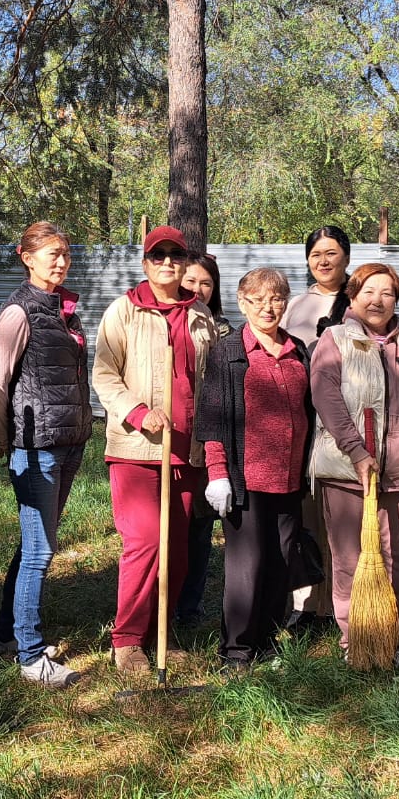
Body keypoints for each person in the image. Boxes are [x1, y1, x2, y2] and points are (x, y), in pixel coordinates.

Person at [92, 225, 220, 673]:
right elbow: (105, 375)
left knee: (178, 549)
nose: (167, 262)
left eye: (175, 255)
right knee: (145, 542)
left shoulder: (202, 316)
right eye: (158, 255)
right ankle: (127, 641)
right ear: (146, 263)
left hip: (188, 451)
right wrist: (138, 411)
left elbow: (211, 382)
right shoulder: (124, 311)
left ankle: (158, 632)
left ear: (185, 263)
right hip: (139, 448)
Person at [308, 262, 399, 670]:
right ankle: (359, 642)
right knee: (352, 562)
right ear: (352, 296)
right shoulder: (335, 341)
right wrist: (357, 452)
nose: (377, 299)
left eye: (387, 293)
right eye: (368, 291)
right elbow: (326, 399)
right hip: (350, 475)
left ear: (396, 300)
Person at [0, 222, 93, 688]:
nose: (60, 260)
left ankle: (7, 632)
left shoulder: (65, 308)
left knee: (33, 543)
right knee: (40, 551)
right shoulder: (19, 312)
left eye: (65, 253)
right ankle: (31, 656)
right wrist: (9, 443)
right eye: (51, 253)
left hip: (68, 442)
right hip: (36, 449)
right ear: (26, 257)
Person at [194, 267, 314, 668]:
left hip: (290, 477)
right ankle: (237, 650)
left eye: (277, 298)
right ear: (243, 302)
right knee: (248, 565)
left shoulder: (299, 351)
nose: (268, 307)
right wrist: (217, 472)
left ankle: (265, 639)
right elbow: (211, 417)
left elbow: (309, 413)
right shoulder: (228, 353)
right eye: (258, 299)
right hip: (245, 479)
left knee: (281, 559)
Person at [281, 225, 352, 633]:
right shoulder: (294, 306)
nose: (324, 261)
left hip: (347, 423)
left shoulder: (362, 298)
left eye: (331, 253)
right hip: (303, 422)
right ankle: (306, 602)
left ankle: (340, 600)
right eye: (316, 254)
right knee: (305, 511)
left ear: (346, 256)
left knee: (341, 513)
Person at [176, 252, 228, 623]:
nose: (198, 289)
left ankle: (189, 605)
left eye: (206, 283)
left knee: (200, 526)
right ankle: (165, 600)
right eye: (191, 282)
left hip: (211, 440)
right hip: (175, 436)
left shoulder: (225, 332)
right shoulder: (168, 324)